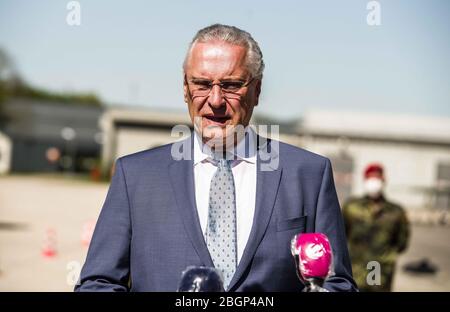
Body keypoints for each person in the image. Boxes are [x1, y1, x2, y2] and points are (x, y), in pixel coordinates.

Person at [75, 24, 356, 292]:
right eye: (202, 83)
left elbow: (338, 283)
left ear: (256, 91)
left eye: (232, 85)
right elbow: (97, 283)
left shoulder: (309, 174)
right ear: (185, 89)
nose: (216, 100)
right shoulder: (135, 176)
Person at [343, 163, 410, 292]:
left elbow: (402, 242)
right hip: (355, 270)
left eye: (377, 178)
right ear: (365, 180)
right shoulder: (351, 207)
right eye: (370, 178)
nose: (374, 182)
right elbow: (341, 235)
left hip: (381, 272)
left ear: (383, 180)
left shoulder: (395, 211)